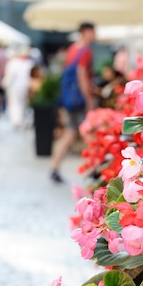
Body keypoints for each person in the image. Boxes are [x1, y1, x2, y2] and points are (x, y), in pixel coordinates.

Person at [50, 22, 96, 183]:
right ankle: (97, 170)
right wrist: (88, 99)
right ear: (85, 32)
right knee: (90, 134)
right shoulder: (85, 51)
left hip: (68, 98)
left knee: (69, 134)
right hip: (79, 99)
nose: (95, 34)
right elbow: (81, 74)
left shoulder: (72, 49)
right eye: (92, 31)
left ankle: (54, 167)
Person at [3, 46, 34, 129]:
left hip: (21, 87)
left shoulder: (27, 63)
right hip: (17, 87)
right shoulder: (28, 63)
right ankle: (17, 120)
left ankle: (18, 120)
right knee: (17, 104)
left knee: (19, 104)